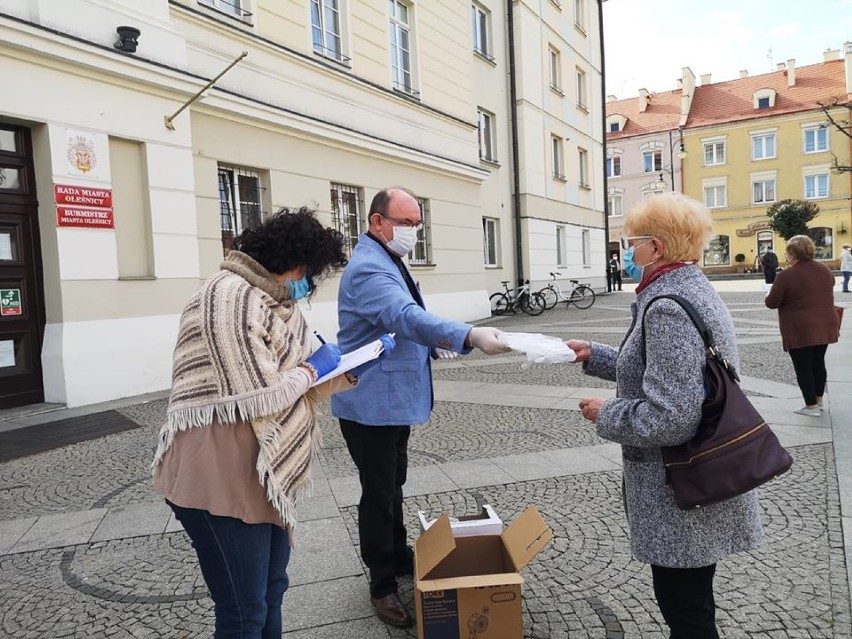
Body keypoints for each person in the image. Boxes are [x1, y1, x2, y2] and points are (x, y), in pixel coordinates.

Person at [152, 208, 393, 638]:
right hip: (215, 478)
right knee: (244, 609)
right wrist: (312, 369)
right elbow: (261, 395)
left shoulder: (280, 305)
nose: (309, 283)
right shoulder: (225, 297)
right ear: (289, 259)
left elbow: (300, 388)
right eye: (309, 272)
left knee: (272, 591)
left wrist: (352, 372)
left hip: (263, 474)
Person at [567, 193, 763, 639]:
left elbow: (672, 417)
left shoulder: (669, 305)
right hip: (694, 481)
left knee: (687, 614)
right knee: (692, 602)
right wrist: (594, 354)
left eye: (631, 242)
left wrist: (607, 412)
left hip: (680, 488)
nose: (626, 252)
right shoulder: (686, 288)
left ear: (655, 248)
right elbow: (662, 371)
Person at [331, 187, 510, 628]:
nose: (413, 231)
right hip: (370, 404)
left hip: (391, 400)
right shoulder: (370, 268)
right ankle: (381, 583)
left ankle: (396, 555)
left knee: (393, 483)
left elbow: (400, 323)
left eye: (417, 224)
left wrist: (431, 349)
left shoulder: (389, 259)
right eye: (406, 223)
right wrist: (468, 335)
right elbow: (405, 317)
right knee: (378, 493)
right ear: (378, 222)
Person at [765, 234, 839, 416]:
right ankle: (819, 400)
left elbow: (772, 302)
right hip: (825, 324)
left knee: (803, 366)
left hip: (800, 328)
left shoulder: (786, 275)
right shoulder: (824, 269)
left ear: (792, 254)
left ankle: (811, 406)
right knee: (818, 363)